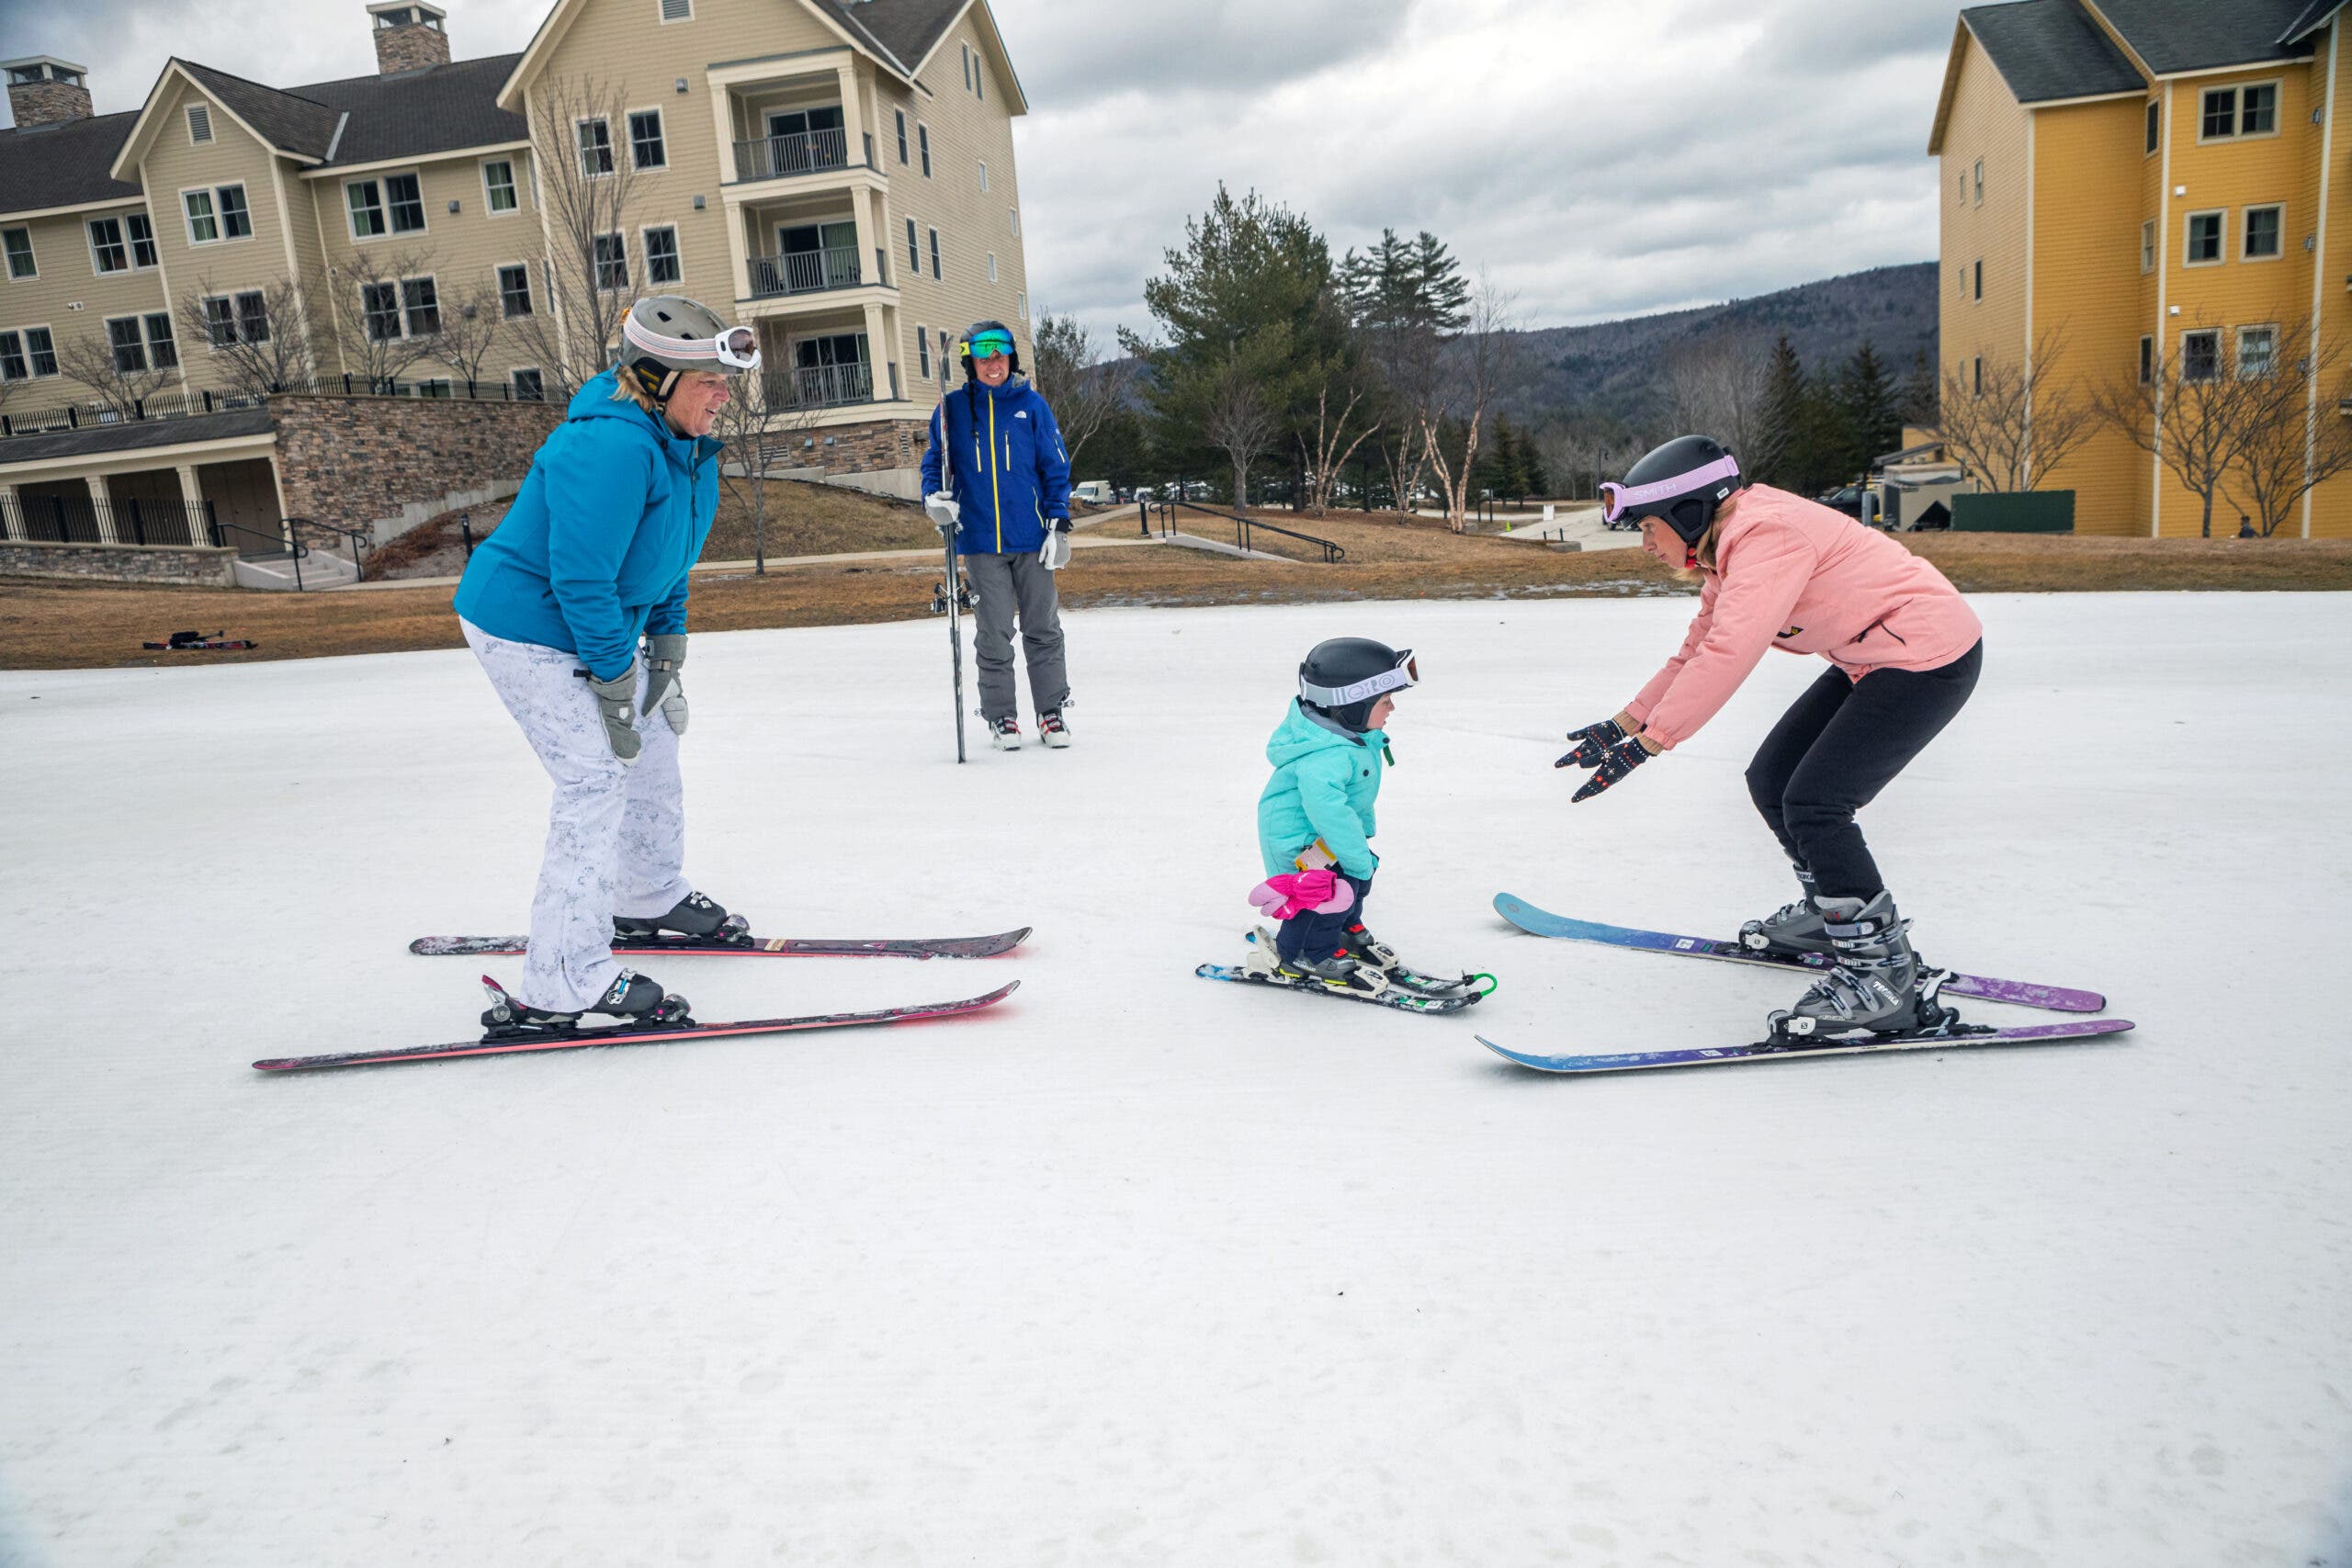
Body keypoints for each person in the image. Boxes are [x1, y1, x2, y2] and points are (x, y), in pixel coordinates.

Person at [1559, 434, 1984, 1040]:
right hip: (1873, 656)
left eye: (1648, 527)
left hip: (1927, 656)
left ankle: (1882, 976)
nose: (1646, 544)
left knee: (1817, 802)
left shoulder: (1768, 538)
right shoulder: (1728, 549)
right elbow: (1697, 649)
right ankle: (1829, 912)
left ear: (1689, 512)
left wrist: (1653, 741)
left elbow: (1730, 651)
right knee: (1772, 779)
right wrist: (1625, 723)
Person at [449, 295, 753, 1032]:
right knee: (593, 779)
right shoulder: (608, 447)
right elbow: (582, 577)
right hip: (524, 625)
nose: (724, 397)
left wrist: (666, 649)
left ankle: (645, 891)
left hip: (596, 622)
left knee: (655, 739)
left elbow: (667, 559)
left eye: (725, 383)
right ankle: (561, 978)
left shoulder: (684, 448)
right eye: (709, 382)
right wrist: (616, 682)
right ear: (655, 380)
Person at [921, 321, 1075, 750]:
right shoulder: (952, 409)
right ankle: (1002, 716)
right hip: (981, 541)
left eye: (1001, 357)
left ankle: (1051, 712)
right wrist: (933, 498)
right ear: (971, 364)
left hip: (1032, 539)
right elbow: (935, 462)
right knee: (993, 632)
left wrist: (1059, 524)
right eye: (985, 359)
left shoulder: (1032, 405)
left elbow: (1055, 467)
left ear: (1011, 360)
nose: (994, 365)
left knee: (1043, 627)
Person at [1245, 637, 1419, 994]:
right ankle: (1303, 954)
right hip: (1299, 841)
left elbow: (1351, 802)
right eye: (1385, 701)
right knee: (1320, 895)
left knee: (1356, 880)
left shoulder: (1352, 739)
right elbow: (1329, 812)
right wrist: (1355, 854)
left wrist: (1359, 846)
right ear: (1353, 705)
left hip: (1327, 837)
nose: (1392, 708)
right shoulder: (1327, 757)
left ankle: (1343, 930)